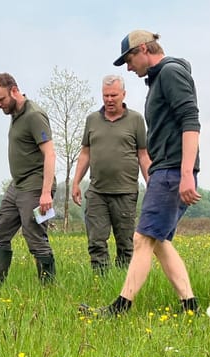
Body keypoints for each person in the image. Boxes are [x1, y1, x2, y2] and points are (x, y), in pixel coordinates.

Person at [82, 30, 202, 316]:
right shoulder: (160, 78)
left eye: (129, 58)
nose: (127, 66)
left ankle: (120, 308)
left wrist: (186, 172)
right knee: (158, 241)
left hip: (172, 170)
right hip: (166, 169)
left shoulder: (171, 73)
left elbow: (190, 120)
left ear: (145, 49)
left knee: (141, 239)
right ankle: (190, 306)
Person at [72, 74, 151, 274]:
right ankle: (101, 280)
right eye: (105, 95)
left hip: (125, 192)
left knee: (125, 243)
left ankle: (125, 284)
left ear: (123, 94)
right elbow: (85, 153)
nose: (109, 100)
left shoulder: (135, 120)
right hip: (97, 191)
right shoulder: (92, 120)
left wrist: (152, 183)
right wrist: (76, 182)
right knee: (96, 240)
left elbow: (143, 155)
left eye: (113, 95)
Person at [0, 73, 57, 285]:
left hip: (35, 186)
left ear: (14, 91)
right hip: (17, 185)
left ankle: (48, 288)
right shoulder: (15, 114)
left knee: (34, 235)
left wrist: (45, 193)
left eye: (1, 99)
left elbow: (50, 154)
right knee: (1, 229)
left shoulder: (34, 115)